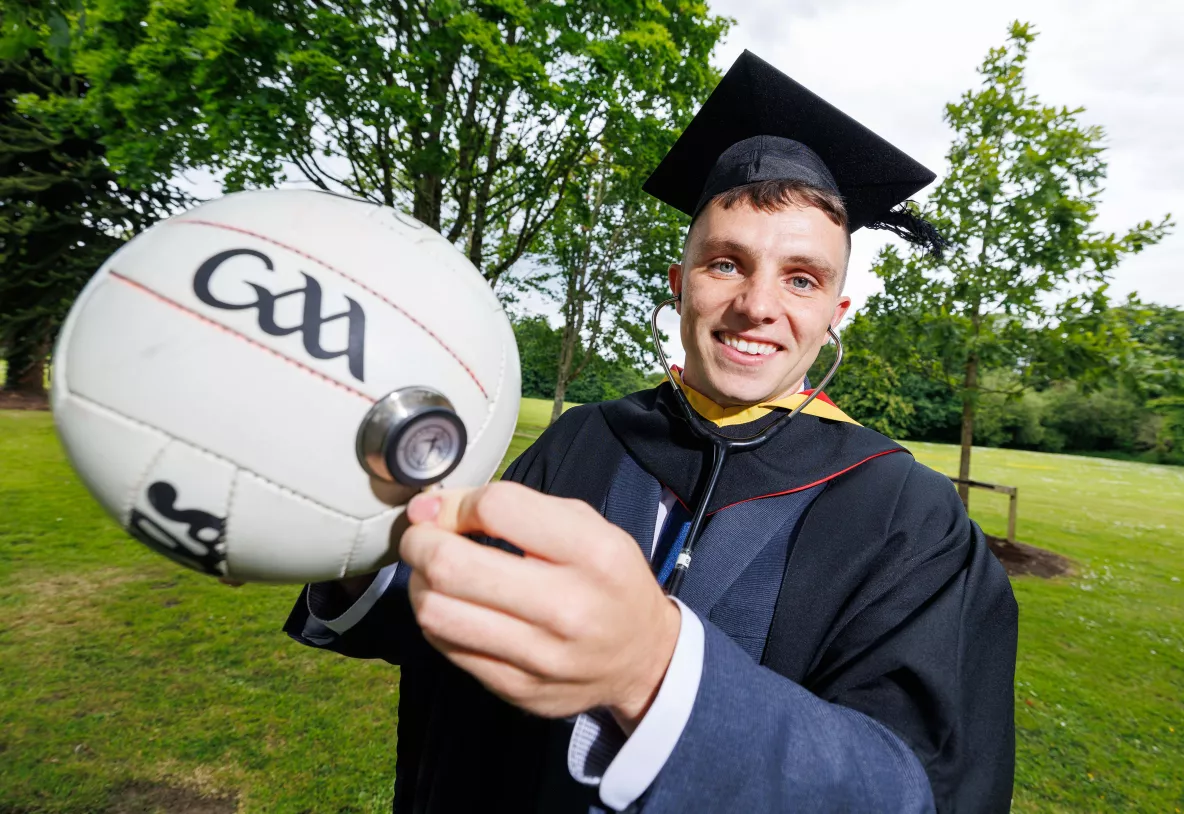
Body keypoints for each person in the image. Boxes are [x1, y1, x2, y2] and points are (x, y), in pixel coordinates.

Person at [284, 51, 1018, 813]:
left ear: (837, 314)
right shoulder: (584, 441)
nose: (758, 305)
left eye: (802, 278)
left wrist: (652, 673)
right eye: (726, 264)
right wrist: (345, 546)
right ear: (679, 283)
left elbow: (916, 790)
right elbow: (460, 618)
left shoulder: (909, 519)